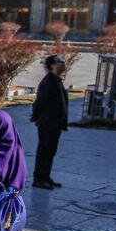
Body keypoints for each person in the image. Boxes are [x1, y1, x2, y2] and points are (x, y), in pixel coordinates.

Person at [29, 55, 69, 190]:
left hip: (55, 123)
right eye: (59, 62)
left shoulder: (57, 80)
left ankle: (46, 176)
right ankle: (38, 179)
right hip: (47, 123)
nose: (62, 64)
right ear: (52, 65)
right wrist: (35, 116)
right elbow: (40, 102)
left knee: (51, 151)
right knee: (44, 151)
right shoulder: (48, 81)